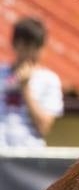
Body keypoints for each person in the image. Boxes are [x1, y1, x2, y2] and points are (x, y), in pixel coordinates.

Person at [2, 17, 64, 148]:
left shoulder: (49, 80)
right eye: (26, 46)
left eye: (36, 47)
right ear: (15, 44)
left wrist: (25, 87)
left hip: (29, 157)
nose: (31, 53)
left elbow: (43, 127)